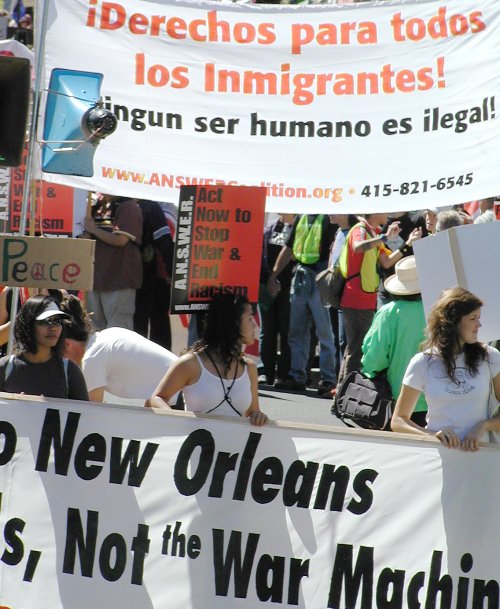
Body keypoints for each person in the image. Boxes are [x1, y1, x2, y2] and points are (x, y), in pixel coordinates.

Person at [391, 287, 500, 451]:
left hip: (482, 458)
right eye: (473, 318)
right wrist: (431, 435)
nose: (479, 324)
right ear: (452, 321)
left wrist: (484, 425)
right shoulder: (422, 362)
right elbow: (398, 421)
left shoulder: (490, 356)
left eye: (479, 318)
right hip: (437, 459)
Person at [148, 294, 268, 426]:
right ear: (233, 323)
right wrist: (173, 418)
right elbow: (156, 398)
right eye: (250, 318)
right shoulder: (191, 363)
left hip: (234, 440)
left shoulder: (249, 367)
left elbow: (252, 412)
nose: (255, 325)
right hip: (194, 438)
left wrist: (258, 415)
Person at [335, 212, 422, 391]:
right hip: (356, 298)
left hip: (365, 299)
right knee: (356, 351)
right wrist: (384, 237)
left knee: (354, 349)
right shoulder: (360, 230)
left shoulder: (373, 233)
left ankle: (341, 393)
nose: (388, 214)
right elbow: (358, 247)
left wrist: (408, 244)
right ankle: (344, 394)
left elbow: (387, 262)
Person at [60, 295, 179, 403]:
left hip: (178, 399)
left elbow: (91, 412)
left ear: (67, 344)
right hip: (181, 390)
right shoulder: (108, 334)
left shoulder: (92, 358)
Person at [267, 214, 337, 396]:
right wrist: (273, 275)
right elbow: (289, 247)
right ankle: (297, 377)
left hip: (321, 277)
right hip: (301, 276)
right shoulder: (302, 217)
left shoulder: (329, 217)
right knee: (296, 332)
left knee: (324, 333)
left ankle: (328, 380)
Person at [360, 256, 427, 426]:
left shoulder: (388, 312)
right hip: (434, 399)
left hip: (396, 397)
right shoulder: (438, 310)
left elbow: (374, 358)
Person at [0, 295, 89, 400]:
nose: (53, 328)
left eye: (58, 321)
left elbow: (84, 410)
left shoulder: (70, 371)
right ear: (28, 324)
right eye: (46, 321)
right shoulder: (4, 367)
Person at [84, 193, 143, 331]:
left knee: (118, 329)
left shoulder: (128, 207)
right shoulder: (97, 205)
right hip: (95, 279)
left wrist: (93, 229)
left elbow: (121, 240)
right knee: (93, 329)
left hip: (118, 279)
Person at [258, 213, 295, 386]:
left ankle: (284, 374)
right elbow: (262, 258)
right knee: (267, 331)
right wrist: (268, 280)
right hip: (268, 287)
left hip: (290, 287)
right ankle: (265, 371)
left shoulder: (298, 229)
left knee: (287, 331)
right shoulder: (269, 229)